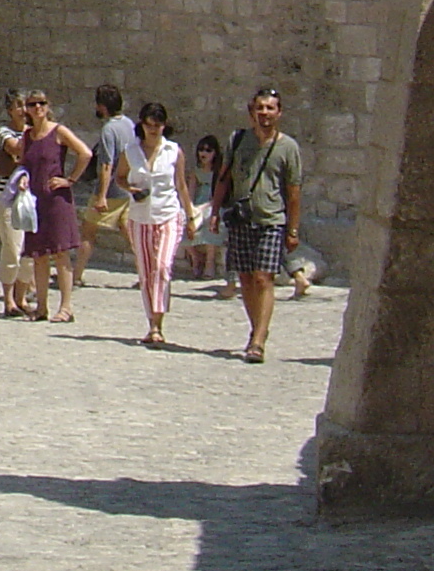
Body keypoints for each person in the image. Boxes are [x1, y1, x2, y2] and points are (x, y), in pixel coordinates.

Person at [219, 87, 303, 364]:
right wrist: (215, 210)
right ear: (252, 111)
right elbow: (225, 176)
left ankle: (258, 340)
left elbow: (293, 192)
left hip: (271, 221)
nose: (265, 113)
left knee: (263, 277)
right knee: (245, 278)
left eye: (270, 108)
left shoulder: (288, 147)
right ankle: (256, 328)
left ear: (279, 112)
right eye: (260, 108)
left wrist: (293, 229)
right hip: (242, 218)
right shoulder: (238, 140)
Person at [113, 99, 196, 348]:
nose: (153, 130)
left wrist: (191, 215)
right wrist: (131, 188)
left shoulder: (173, 151)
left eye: (158, 126)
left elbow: (180, 185)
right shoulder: (131, 152)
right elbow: (119, 177)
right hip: (140, 217)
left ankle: (159, 319)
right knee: (146, 271)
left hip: (168, 214)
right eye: (149, 125)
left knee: (161, 267)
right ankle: (154, 325)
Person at [17, 90, 92, 322]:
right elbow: (22, 163)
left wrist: (70, 179)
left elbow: (85, 153)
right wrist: (22, 177)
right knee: (39, 255)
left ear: (48, 106)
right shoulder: (27, 136)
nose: (37, 107)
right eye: (32, 104)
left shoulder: (59, 131)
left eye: (41, 103)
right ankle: (41, 306)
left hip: (56, 200)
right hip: (35, 201)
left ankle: (66, 307)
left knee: (60, 254)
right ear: (27, 108)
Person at [76, 84, 140, 288]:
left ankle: (75, 275)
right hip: (127, 188)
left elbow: (106, 164)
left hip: (111, 190)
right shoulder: (129, 125)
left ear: (102, 106)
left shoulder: (109, 129)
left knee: (88, 232)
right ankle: (147, 274)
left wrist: (101, 195)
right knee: (130, 235)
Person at [0, 90, 38, 318]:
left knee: (29, 250)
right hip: (9, 196)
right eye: (19, 106)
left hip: (32, 197)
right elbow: (16, 148)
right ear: (10, 110)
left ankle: (21, 297)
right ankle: (8, 299)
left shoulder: (35, 132)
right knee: (12, 248)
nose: (23, 110)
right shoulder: (5, 132)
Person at [186, 134, 227, 283]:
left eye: (208, 150)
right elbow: (190, 194)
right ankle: (196, 259)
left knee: (211, 219)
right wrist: (190, 209)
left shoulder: (219, 171)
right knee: (181, 219)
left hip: (213, 204)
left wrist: (205, 206)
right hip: (199, 204)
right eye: (201, 150)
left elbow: (218, 195)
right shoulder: (196, 172)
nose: (203, 153)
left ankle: (209, 263)